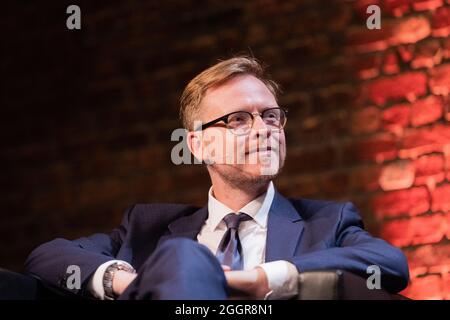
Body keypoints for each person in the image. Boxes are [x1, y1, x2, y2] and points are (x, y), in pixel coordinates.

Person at [25, 56, 409, 300]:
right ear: (198, 145)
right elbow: (46, 257)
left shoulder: (326, 222)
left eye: (271, 116)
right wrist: (128, 282)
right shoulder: (147, 227)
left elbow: (389, 261)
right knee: (182, 254)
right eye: (239, 120)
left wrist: (262, 278)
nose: (264, 130)